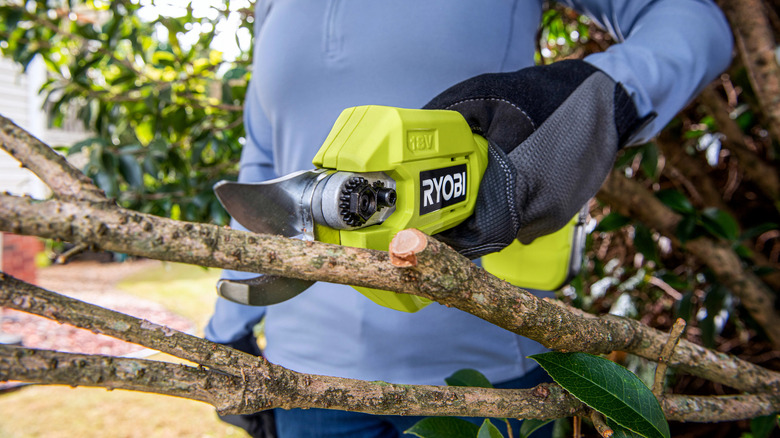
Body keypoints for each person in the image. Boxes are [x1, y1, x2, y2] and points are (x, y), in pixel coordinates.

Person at [206, 1, 733, 437]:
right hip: (308, 388)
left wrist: (597, 97)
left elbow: (695, 25)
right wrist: (227, 333)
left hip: (489, 379)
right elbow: (262, 167)